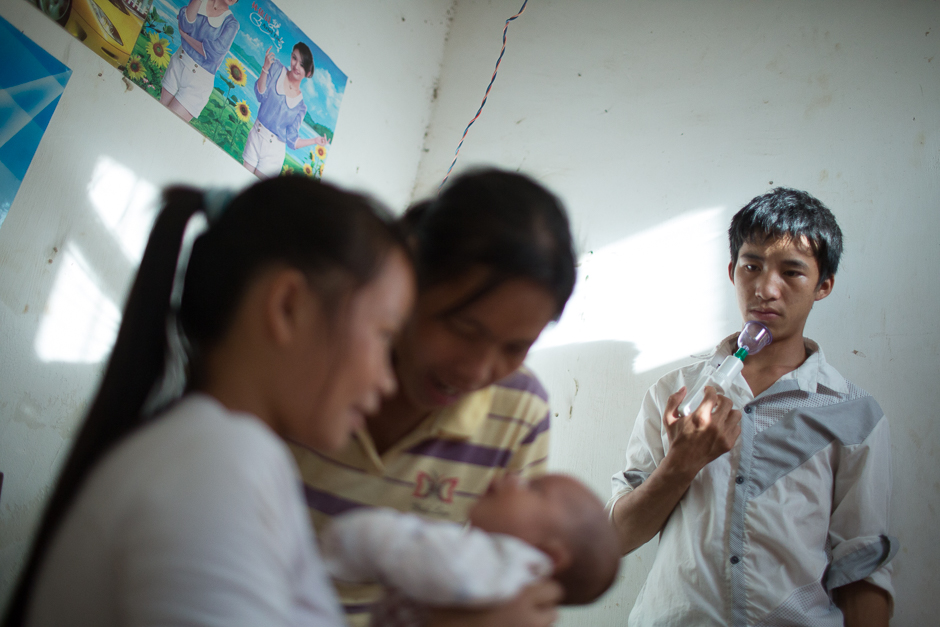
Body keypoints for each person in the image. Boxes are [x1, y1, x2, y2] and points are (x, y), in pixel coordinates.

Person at [3, 177, 558, 627]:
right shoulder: (217, 467)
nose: (385, 378)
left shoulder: (233, 455)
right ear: (288, 306)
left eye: (515, 347)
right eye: (385, 335)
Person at [289, 169, 578, 626]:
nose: (477, 371)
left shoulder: (519, 412)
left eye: (514, 347)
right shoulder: (304, 364)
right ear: (409, 276)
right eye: (463, 328)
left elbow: (502, 577)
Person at [609, 188, 897, 626]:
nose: (765, 289)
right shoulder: (674, 394)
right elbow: (617, 537)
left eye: (792, 272)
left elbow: (861, 566)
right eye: (751, 266)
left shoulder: (854, 414)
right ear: (732, 272)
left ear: (823, 285)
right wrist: (680, 465)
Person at [321, 473, 621, 626]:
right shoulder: (501, 584)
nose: (513, 476)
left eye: (533, 487)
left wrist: (354, 537)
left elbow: (407, 549)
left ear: (547, 557)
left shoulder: (496, 566)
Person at [242, 42, 329, 178]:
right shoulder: (276, 68)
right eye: (294, 58)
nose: (296, 66)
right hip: (256, 135)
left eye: (302, 65)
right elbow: (260, 95)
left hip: (275, 152)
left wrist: (315, 140)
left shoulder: (301, 107)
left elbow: (292, 140)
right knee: (241, 177)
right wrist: (265, 68)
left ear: (308, 73)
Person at [161, 0, 240, 122]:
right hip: (178, 62)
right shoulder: (200, 2)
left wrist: (185, 36)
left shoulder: (231, 23)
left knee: (168, 123)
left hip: (199, 81)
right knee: (158, 113)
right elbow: (185, 24)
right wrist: (186, 33)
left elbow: (212, 54)